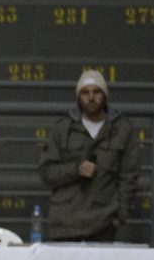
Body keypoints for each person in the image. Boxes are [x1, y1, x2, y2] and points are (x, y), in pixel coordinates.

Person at [38, 68, 140, 243]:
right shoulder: (62, 129)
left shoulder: (122, 130)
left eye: (96, 92)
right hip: (65, 224)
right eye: (85, 92)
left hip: (104, 224)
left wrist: (120, 216)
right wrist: (76, 169)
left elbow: (129, 175)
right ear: (78, 97)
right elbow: (46, 172)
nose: (91, 97)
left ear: (105, 95)